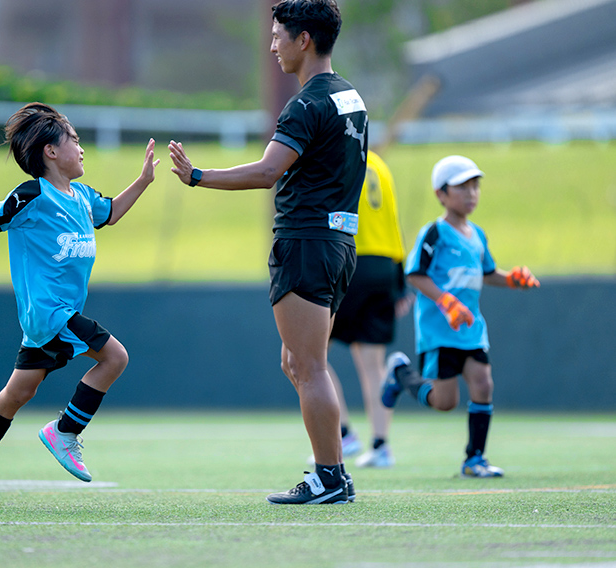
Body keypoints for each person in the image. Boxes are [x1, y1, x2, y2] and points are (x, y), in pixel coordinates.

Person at [169, 0, 367, 505]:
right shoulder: (351, 97)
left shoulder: (306, 103)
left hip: (305, 242)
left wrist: (198, 177)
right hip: (339, 243)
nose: (272, 43)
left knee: (309, 364)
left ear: (305, 39)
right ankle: (333, 471)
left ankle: (329, 477)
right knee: (299, 363)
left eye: (279, 34)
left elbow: (265, 172)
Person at [0, 102, 159, 508]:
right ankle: (65, 431)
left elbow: (112, 212)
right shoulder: (33, 195)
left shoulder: (82, 197)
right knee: (115, 358)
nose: (81, 149)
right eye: (75, 140)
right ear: (50, 151)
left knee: (18, 394)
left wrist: (144, 181)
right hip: (51, 313)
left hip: (50, 321)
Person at [381, 155, 540, 478]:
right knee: (445, 401)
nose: (471, 193)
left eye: (475, 186)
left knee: (483, 383)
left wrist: (512, 279)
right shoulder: (434, 234)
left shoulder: (478, 235)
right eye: (462, 187)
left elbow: (488, 272)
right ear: (441, 194)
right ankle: (401, 374)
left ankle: (474, 459)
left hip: (471, 329)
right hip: (439, 330)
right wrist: (447, 302)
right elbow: (415, 275)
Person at [325, 150, 411, 469]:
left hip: (349, 259)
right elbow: (393, 223)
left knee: (308, 356)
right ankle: (381, 445)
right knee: (372, 365)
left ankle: (343, 434)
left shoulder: (334, 157)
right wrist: (399, 278)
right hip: (385, 267)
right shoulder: (380, 165)